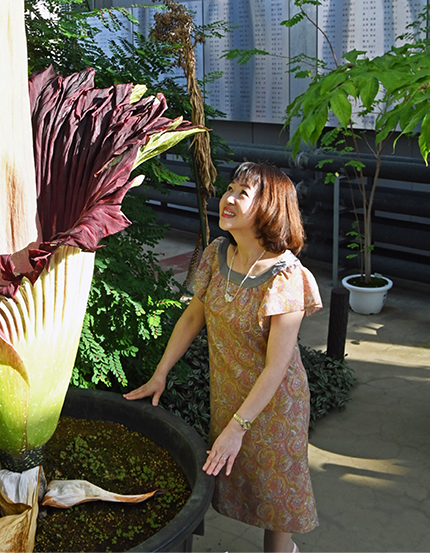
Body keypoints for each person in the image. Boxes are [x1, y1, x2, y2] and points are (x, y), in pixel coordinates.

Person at [124, 161, 322, 553]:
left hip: (274, 407)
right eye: (229, 188)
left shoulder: (287, 277)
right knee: (240, 486)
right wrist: (161, 372)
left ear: (269, 208)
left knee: (275, 505)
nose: (227, 198)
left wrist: (238, 427)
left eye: (242, 193)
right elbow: (193, 315)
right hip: (229, 393)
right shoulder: (217, 254)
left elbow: (277, 367)